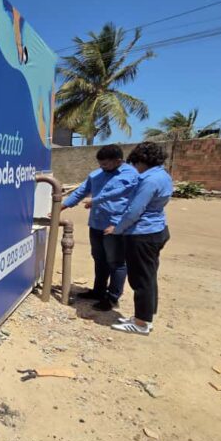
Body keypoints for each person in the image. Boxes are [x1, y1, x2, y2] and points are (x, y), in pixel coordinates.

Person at [105, 142, 173, 336]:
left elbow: (134, 211)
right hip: (157, 230)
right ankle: (144, 317)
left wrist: (117, 229)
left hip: (143, 234)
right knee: (148, 276)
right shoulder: (163, 175)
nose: (135, 168)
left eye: (136, 164)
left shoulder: (149, 181)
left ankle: (141, 323)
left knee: (140, 279)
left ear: (142, 161)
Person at [61, 144, 139, 311]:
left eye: (105, 164)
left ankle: (112, 298)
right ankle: (98, 291)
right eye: (100, 164)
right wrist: (61, 206)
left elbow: (129, 200)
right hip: (96, 224)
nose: (102, 167)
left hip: (115, 225)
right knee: (99, 259)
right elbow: (81, 191)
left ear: (118, 161)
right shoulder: (96, 175)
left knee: (116, 262)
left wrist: (119, 223)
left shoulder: (131, 176)